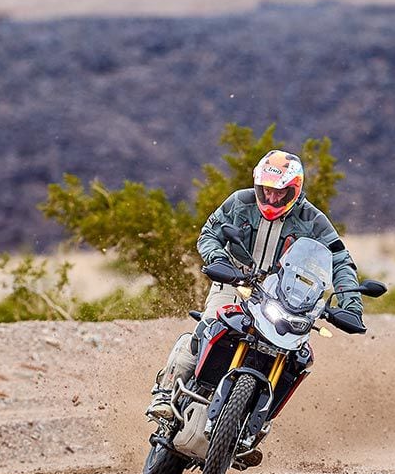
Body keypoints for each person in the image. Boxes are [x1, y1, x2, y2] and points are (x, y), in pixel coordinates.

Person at [147, 148, 364, 419]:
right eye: (266, 190)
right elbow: (209, 233)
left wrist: (350, 304)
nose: (272, 197)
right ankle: (166, 393)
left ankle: (255, 423)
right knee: (206, 328)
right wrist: (218, 260)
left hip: (282, 297)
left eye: (280, 192)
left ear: (294, 190)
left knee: (295, 356)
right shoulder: (240, 202)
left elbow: (340, 261)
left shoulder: (314, 221)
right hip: (235, 281)